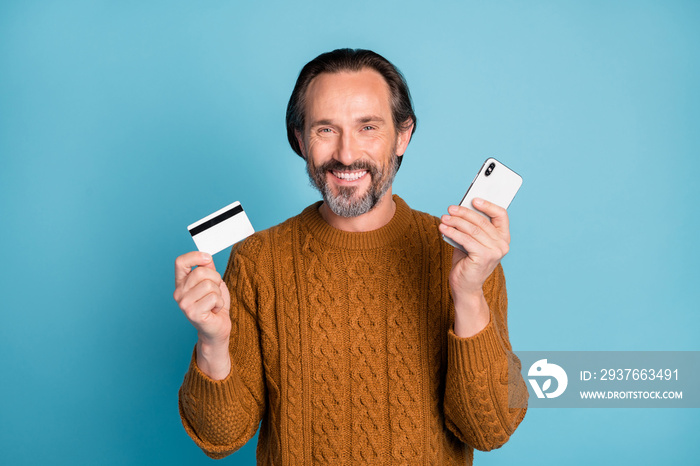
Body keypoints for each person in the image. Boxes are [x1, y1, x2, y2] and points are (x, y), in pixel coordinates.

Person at [173, 48, 528, 464]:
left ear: (402, 135)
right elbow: (222, 437)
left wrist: (468, 295)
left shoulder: (467, 255)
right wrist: (212, 342)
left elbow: (491, 429)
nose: (345, 154)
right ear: (301, 140)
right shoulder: (258, 260)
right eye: (326, 130)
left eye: (368, 127)